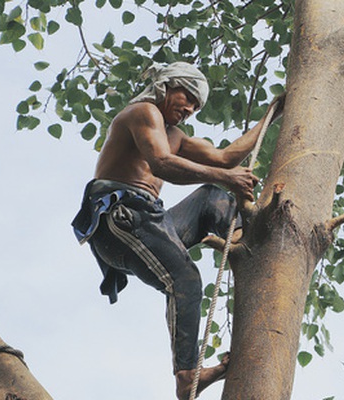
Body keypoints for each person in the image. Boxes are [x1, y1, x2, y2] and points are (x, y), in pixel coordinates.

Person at [72, 61, 282, 399]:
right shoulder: (143, 112)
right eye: (186, 98)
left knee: (211, 198)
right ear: (167, 85)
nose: (189, 109)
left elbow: (226, 157)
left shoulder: (175, 136)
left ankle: (245, 241)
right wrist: (226, 178)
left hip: (150, 220)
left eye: (195, 106)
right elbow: (161, 163)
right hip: (120, 219)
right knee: (184, 279)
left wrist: (272, 114)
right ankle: (187, 377)